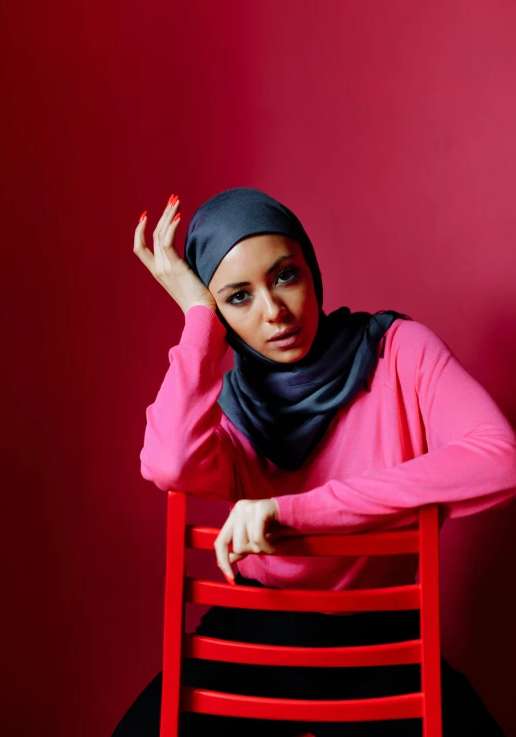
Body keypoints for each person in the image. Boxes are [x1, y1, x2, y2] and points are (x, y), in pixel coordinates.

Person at [112, 187, 516, 736]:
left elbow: (498, 459)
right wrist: (198, 318)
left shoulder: (397, 351)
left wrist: (291, 510)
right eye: (238, 298)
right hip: (253, 637)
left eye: (284, 276)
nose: (274, 312)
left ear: (310, 268)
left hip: (386, 643)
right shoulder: (225, 407)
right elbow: (168, 463)